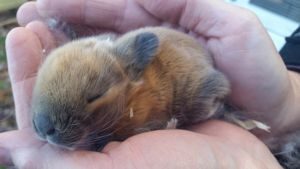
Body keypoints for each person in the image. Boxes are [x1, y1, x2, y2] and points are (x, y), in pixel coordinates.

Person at [1, 0, 300, 168]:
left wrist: (283, 112)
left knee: (200, 94)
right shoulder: (93, 61)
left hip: (197, 85)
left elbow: (215, 84)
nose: (47, 131)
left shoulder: (141, 95)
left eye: (93, 97)